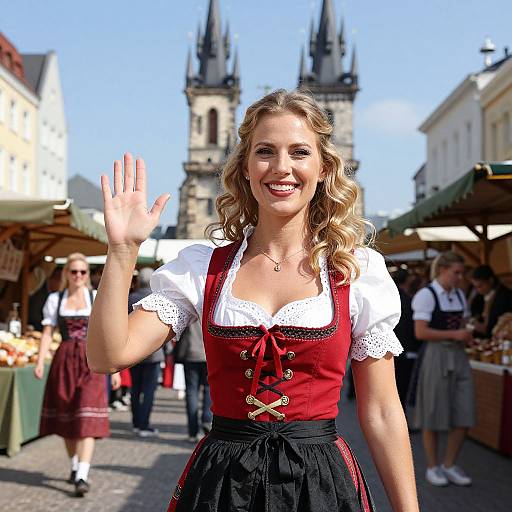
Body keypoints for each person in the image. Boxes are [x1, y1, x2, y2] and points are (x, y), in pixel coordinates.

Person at [88, 90, 418, 511]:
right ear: (244, 167)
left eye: (299, 152)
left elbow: (382, 411)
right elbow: (107, 356)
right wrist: (122, 251)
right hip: (223, 486)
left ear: (323, 168)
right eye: (265, 152)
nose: (282, 168)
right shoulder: (202, 268)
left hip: (319, 487)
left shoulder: (356, 271)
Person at [34, 253, 121, 497]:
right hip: (64, 360)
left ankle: (82, 473)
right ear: (66, 274)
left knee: (86, 417)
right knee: (68, 417)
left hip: (90, 361)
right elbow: (47, 333)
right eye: (74, 272)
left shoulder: (95, 297)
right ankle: (74, 465)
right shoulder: (55, 299)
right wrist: (41, 361)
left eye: (83, 272)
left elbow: (107, 332)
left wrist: (115, 368)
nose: (79, 276)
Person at [411, 251, 475, 487]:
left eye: (462, 273)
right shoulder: (426, 295)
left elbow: (463, 323)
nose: (460, 277)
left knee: (464, 412)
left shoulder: (459, 295)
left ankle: (449, 464)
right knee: (433, 413)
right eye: (456, 272)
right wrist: (455, 333)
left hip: (458, 355)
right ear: (442, 270)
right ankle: (432, 466)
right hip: (436, 356)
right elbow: (421, 332)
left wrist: (468, 332)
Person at [128, 267, 165, 437]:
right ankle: (144, 424)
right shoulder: (157, 298)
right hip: (153, 353)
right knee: (149, 391)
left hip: (133, 351)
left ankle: (136, 422)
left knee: (135, 388)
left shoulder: (130, 298)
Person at [176, 320, 212, 442]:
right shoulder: (212, 310)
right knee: (208, 390)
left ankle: (193, 431)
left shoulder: (190, 308)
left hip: (190, 353)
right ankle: (207, 420)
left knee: (192, 392)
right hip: (208, 355)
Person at [392, 268, 421, 408]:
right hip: (404, 349)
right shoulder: (406, 299)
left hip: (394, 348)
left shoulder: (391, 295)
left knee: (397, 387)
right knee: (401, 388)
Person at [470, 265, 512, 338]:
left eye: (480, 286)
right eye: (475, 287)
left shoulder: (506, 296)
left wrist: (484, 328)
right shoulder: (479, 297)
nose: (478, 290)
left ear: (490, 280)